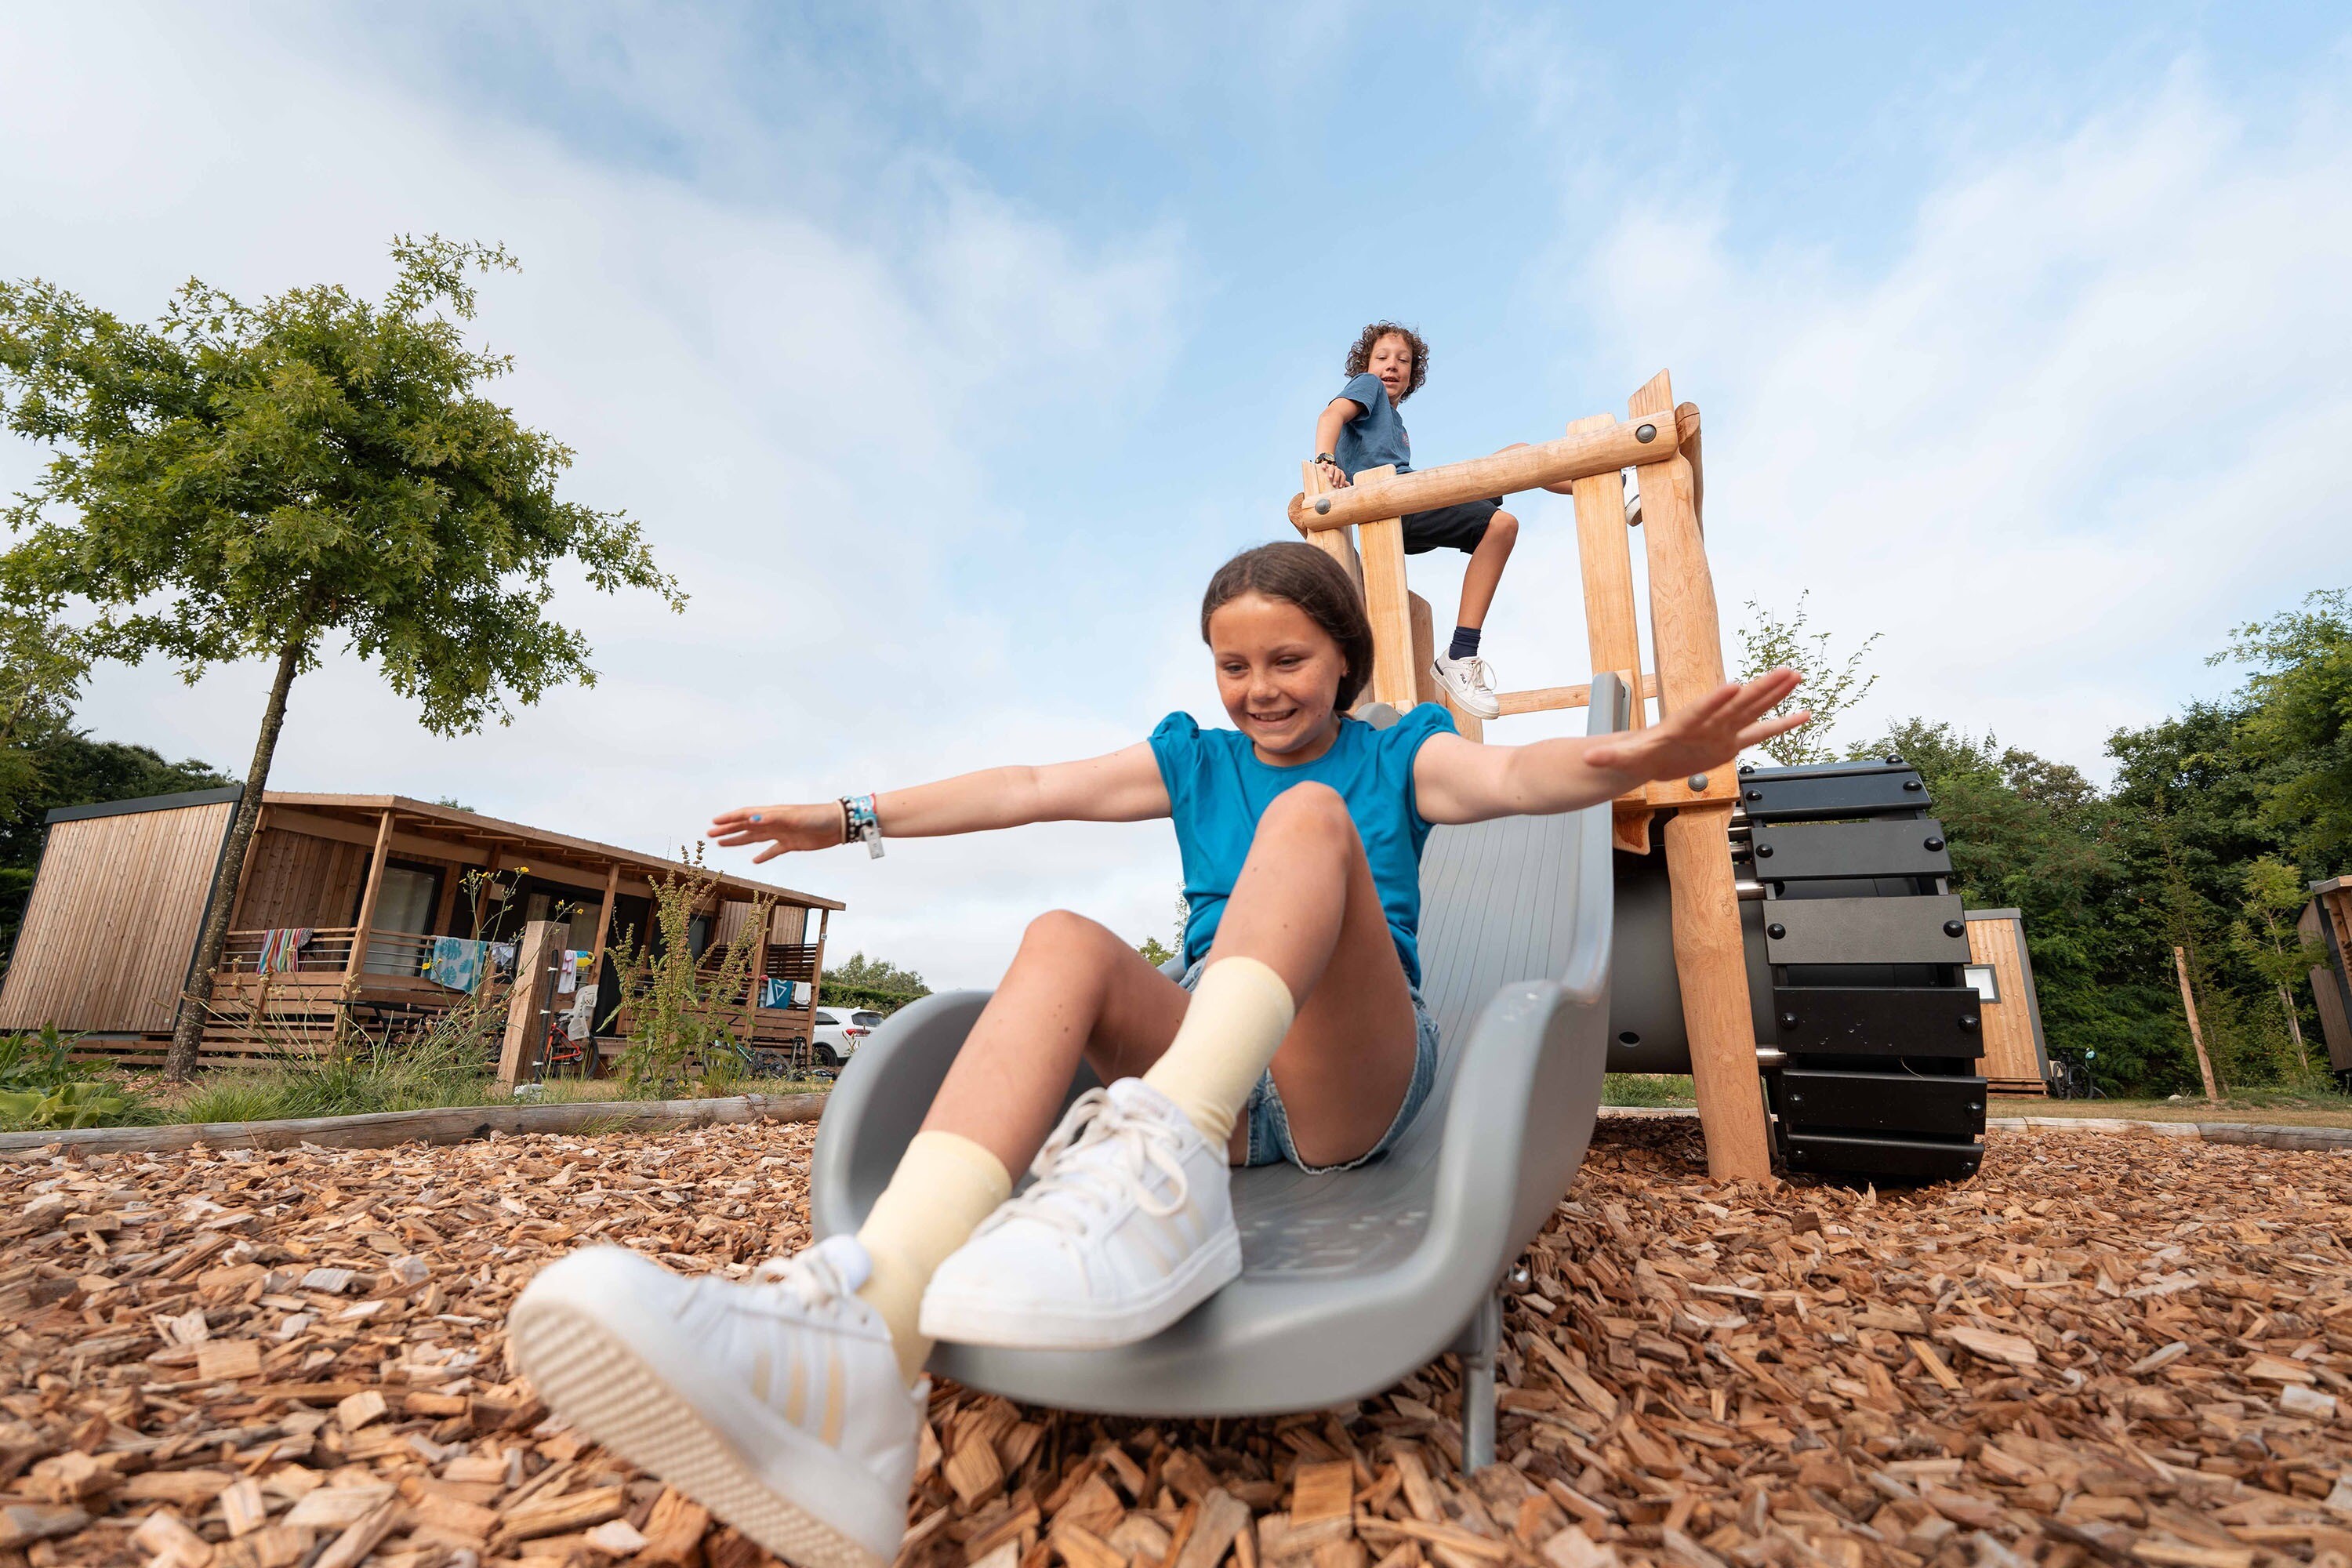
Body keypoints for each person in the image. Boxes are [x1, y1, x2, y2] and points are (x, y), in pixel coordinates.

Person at [507, 542, 1806, 1568]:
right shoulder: (1194, 759)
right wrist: (850, 815)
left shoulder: (1405, 756)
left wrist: (1635, 757)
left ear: (1344, 660)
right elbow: (1025, 789)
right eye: (1234, 665)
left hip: (1343, 1080)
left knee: (1305, 821)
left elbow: (1524, 780)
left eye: (1287, 659)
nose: (1259, 689)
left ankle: (1163, 1157)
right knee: (1065, 935)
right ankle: (865, 1324)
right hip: (1213, 1062)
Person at [1311, 320, 1573, 721]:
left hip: (1410, 501)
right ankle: (1461, 653)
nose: (1392, 366)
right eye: (1382, 358)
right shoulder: (1369, 388)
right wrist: (1325, 459)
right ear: (1366, 365)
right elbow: (1331, 415)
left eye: (1403, 361)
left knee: (1519, 454)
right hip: (1396, 506)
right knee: (1501, 525)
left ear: (1413, 375)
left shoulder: (1395, 424)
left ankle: (1609, 484)